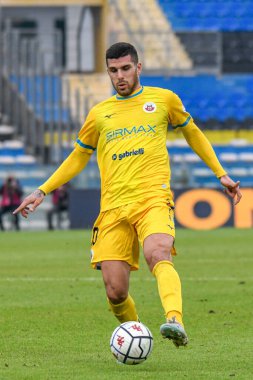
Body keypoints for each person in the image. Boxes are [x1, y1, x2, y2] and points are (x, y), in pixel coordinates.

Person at [13, 42, 242, 348]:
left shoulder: (163, 100)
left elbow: (193, 132)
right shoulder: (99, 113)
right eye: (113, 70)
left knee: (158, 252)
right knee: (115, 292)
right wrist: (43, 190)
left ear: (138, 67)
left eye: (125, 68)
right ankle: (137, 338)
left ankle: (175, 319)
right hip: (112, 208)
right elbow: (78, 157)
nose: (119, 76)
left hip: (153, 198)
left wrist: (221, 173)